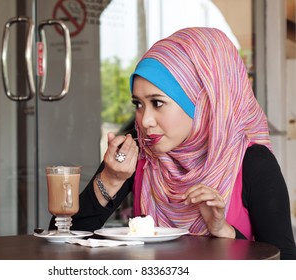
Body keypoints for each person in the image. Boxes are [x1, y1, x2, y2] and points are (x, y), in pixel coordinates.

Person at [49, 27, 296, 259]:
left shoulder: (253, 163)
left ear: (203, 103)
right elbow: (61, 239)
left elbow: (285, 263)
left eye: (157, 103)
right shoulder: (141, 156)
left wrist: (225, 231)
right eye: (138, 104)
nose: (144, 120)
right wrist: (111, 179)